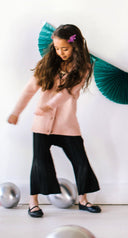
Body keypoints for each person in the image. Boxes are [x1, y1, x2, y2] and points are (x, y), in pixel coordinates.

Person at [8, 24, 101, 218]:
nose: (60, 52)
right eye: (57, 48)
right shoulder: (46, 64)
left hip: (67, 124)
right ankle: (33, 203)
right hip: (42, 123)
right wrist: (16, 112)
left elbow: (69, 92)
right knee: (39, 162)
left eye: (64, 49)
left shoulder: (83, 67)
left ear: (75, 45)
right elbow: (29, 90)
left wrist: (50, 105)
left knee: (80, 161)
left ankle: (83, 200)